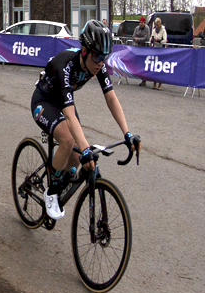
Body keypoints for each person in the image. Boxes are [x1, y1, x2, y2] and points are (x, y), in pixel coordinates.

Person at [31, 19, 139, 220]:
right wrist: (86, 148)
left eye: (104, 57)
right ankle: (52, 192)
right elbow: (70, 115)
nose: (100, 62)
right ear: (84, 50)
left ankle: (61, 174)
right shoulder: (64, 65)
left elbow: (111, 98)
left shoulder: (97, 65)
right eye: (97, 56)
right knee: (69, 140)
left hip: (64, 103)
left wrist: (127, 133)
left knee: (77, 156)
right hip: (44, 102)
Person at [150, 17, 168, 90]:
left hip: (161, 50)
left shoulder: (163, 30)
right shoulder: (154, 30)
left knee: (160, 67)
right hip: (155, 49)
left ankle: (160, 84)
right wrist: (152, 39)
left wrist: (159, 40)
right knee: (154, 67)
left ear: (160, 24)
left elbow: (165, 40)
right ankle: (154, 83)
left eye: (158, 25)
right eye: (156, 25)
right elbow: (150, 38)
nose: (157, 26)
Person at [133, 17, 151, 86]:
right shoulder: (137, 28)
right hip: (137, 48)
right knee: (138, 63)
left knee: (144, 64)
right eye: (140, 22)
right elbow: (134, 36)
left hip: (144, 48)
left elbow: (146, 38)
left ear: (144, 23)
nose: (140, 24)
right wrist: (137, 39)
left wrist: (138, 39)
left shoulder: (147, 28)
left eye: (142, 22)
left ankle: (144, 79)